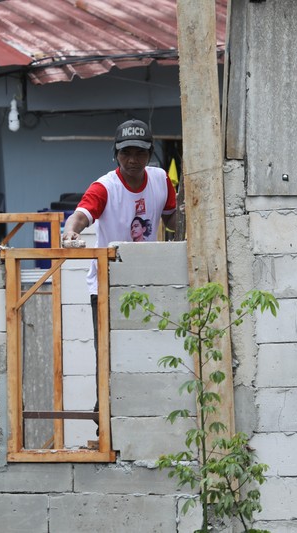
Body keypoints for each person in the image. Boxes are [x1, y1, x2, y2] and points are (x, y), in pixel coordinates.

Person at [62, 118, 177, 425]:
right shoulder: (105, 187)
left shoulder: (161, 180)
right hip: (107, 286)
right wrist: (71, 232)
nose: (132, 159)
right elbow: (81, 215)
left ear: (150, 154)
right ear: (115, 154)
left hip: (148, 282)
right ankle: (106, 424)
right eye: (126, 152)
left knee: (151, 352)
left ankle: (148, 417)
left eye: (139, 153)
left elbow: (174, 220)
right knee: (108, 356)